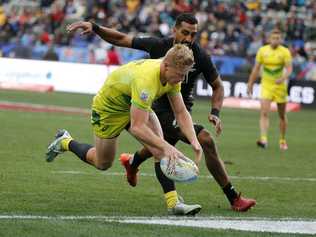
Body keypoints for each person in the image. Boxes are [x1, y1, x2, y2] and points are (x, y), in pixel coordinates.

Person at [67, 13, 256, 214]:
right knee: (105, 162)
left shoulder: (195, 58)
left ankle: (155, 184)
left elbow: (187, 107)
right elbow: (121, 39)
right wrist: (95, 27)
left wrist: (197, 136)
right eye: (185, 33)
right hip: (118, 106)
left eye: (194, 35)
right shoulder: (156, 56)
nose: (189, 39)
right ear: (174, 30)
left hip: (147, 106)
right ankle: (67, 141)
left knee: (167, 145)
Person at [46, 44, 203, 215]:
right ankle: (65, 141)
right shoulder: (147, 80)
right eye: (180, 75)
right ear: (165, 66)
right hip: (109, 108)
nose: (182, 79)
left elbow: (180, 111)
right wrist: (167, 147)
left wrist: (194, 140)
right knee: (102, 163)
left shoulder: (172, 73)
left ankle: (174, 204)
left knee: (159, 147)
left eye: (185, 74)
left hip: (133, 104)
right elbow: (137, 127)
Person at [247, 28, 293, 150]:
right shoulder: (262, 51)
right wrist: (250, 83)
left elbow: (289, 69)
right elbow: (256, 68)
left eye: (278, 38)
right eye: (273, 38)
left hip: (280, 87)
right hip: (266, 85)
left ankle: (282, 140)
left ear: (281, 39)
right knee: (264, 112)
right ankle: (263, 139)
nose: (275, 40)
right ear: (269, 39)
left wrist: (283, 78)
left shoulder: (285, 52)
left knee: (282, 115)